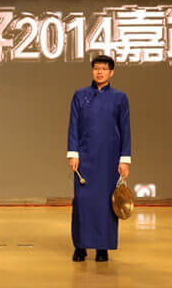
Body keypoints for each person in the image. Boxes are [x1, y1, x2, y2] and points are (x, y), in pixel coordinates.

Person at [67, 54, 131, 262]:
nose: (100, 72)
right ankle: (80, 246)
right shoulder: (80, 95)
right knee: (83, 202)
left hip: (109, 158)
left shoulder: (120, 98)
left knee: (106, 203)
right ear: (92, 71)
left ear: (111, 73)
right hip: (84, 158)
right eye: (96, 68)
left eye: (104, 69)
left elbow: (125, 130)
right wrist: (73, 153)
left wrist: (124, 159)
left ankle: (103, 247)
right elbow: (73, 126)